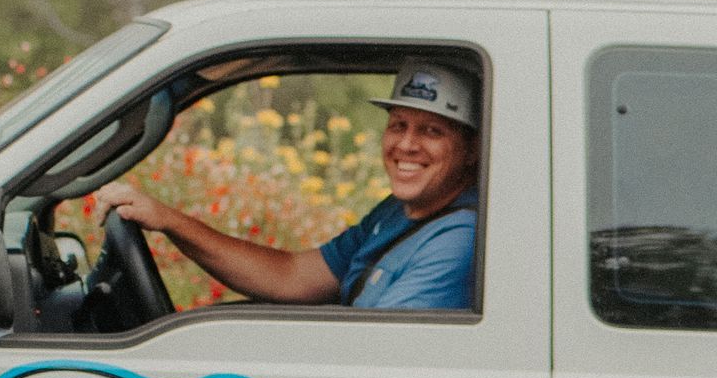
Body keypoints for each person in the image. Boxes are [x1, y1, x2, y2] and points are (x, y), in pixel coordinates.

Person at [92, 57, 481, 313]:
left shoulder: (459, 238)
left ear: (472, 149)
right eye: (398, 125)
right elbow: (293, 276)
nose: (406, 145)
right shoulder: (399, 212)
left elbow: (376, 356)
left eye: (432, 131)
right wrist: (168, 220)